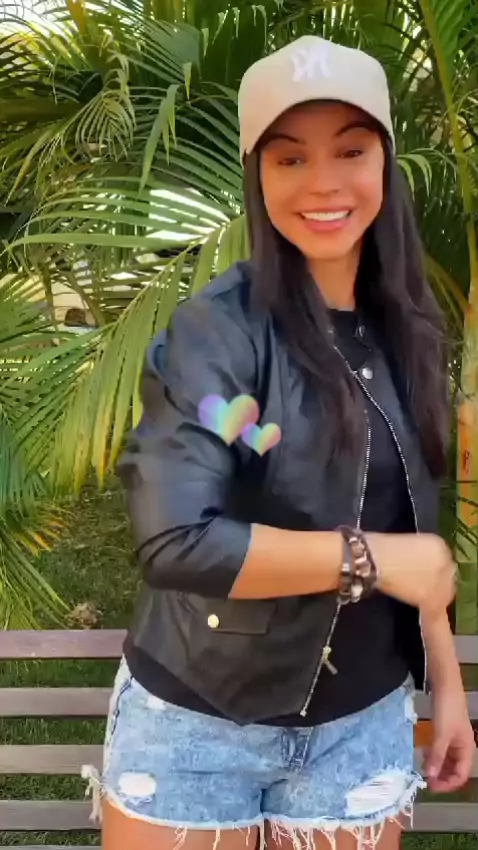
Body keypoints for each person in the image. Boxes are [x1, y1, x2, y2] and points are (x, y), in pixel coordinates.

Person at [89, 34, 475, 850]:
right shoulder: (215, 334)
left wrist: (445, 683)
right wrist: (369, 560)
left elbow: (415, 523)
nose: (323, 182)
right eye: (290, 157)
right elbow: (176, 539)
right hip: (198, 724)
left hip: (360, 730)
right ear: (257, 177)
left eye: (351, 150)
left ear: (385, 162)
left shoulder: (407, 328)